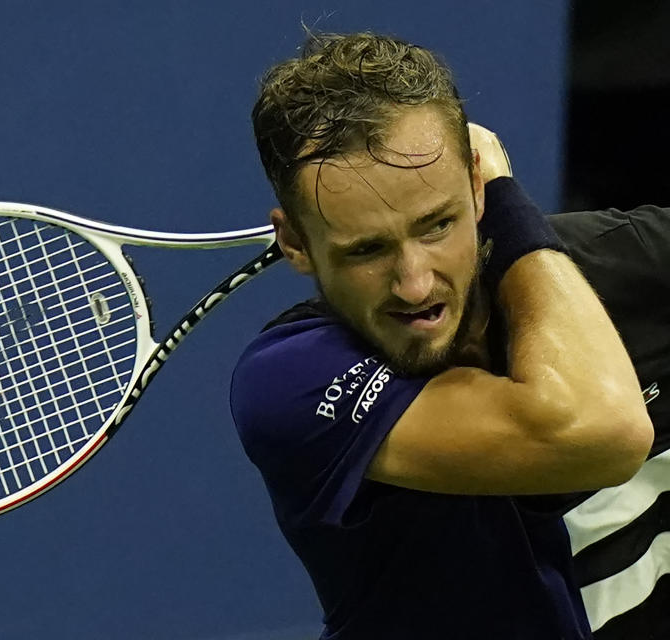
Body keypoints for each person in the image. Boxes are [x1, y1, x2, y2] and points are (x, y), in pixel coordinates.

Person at [230, 31, 656, 639]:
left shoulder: (621, 258)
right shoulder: (287, 380)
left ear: (473, 189)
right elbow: (605, 430)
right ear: (295, 242)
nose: (415, 284)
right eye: (368, 249)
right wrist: (508, 211)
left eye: (437, 225)